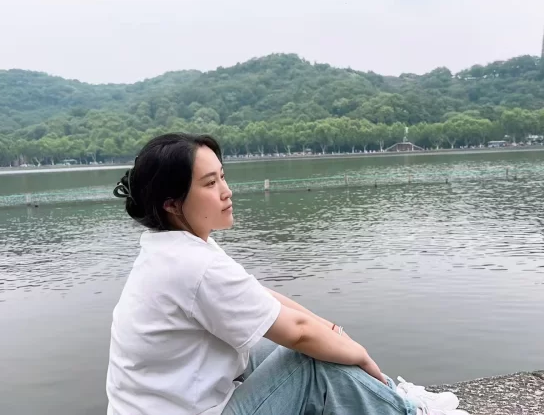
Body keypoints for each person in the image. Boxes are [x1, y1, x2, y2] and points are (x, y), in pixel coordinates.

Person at [106, 133, 468, 415]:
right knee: (307, 360)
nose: (227, 192)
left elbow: (263, 301)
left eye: (223, 177)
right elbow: (298, 334)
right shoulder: (192, 264)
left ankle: (391, 395)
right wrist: (359, 354)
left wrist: (331, 329)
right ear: (172, 204)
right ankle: (405, 410)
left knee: (281, 341)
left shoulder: (173, 248)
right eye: (210, 183)